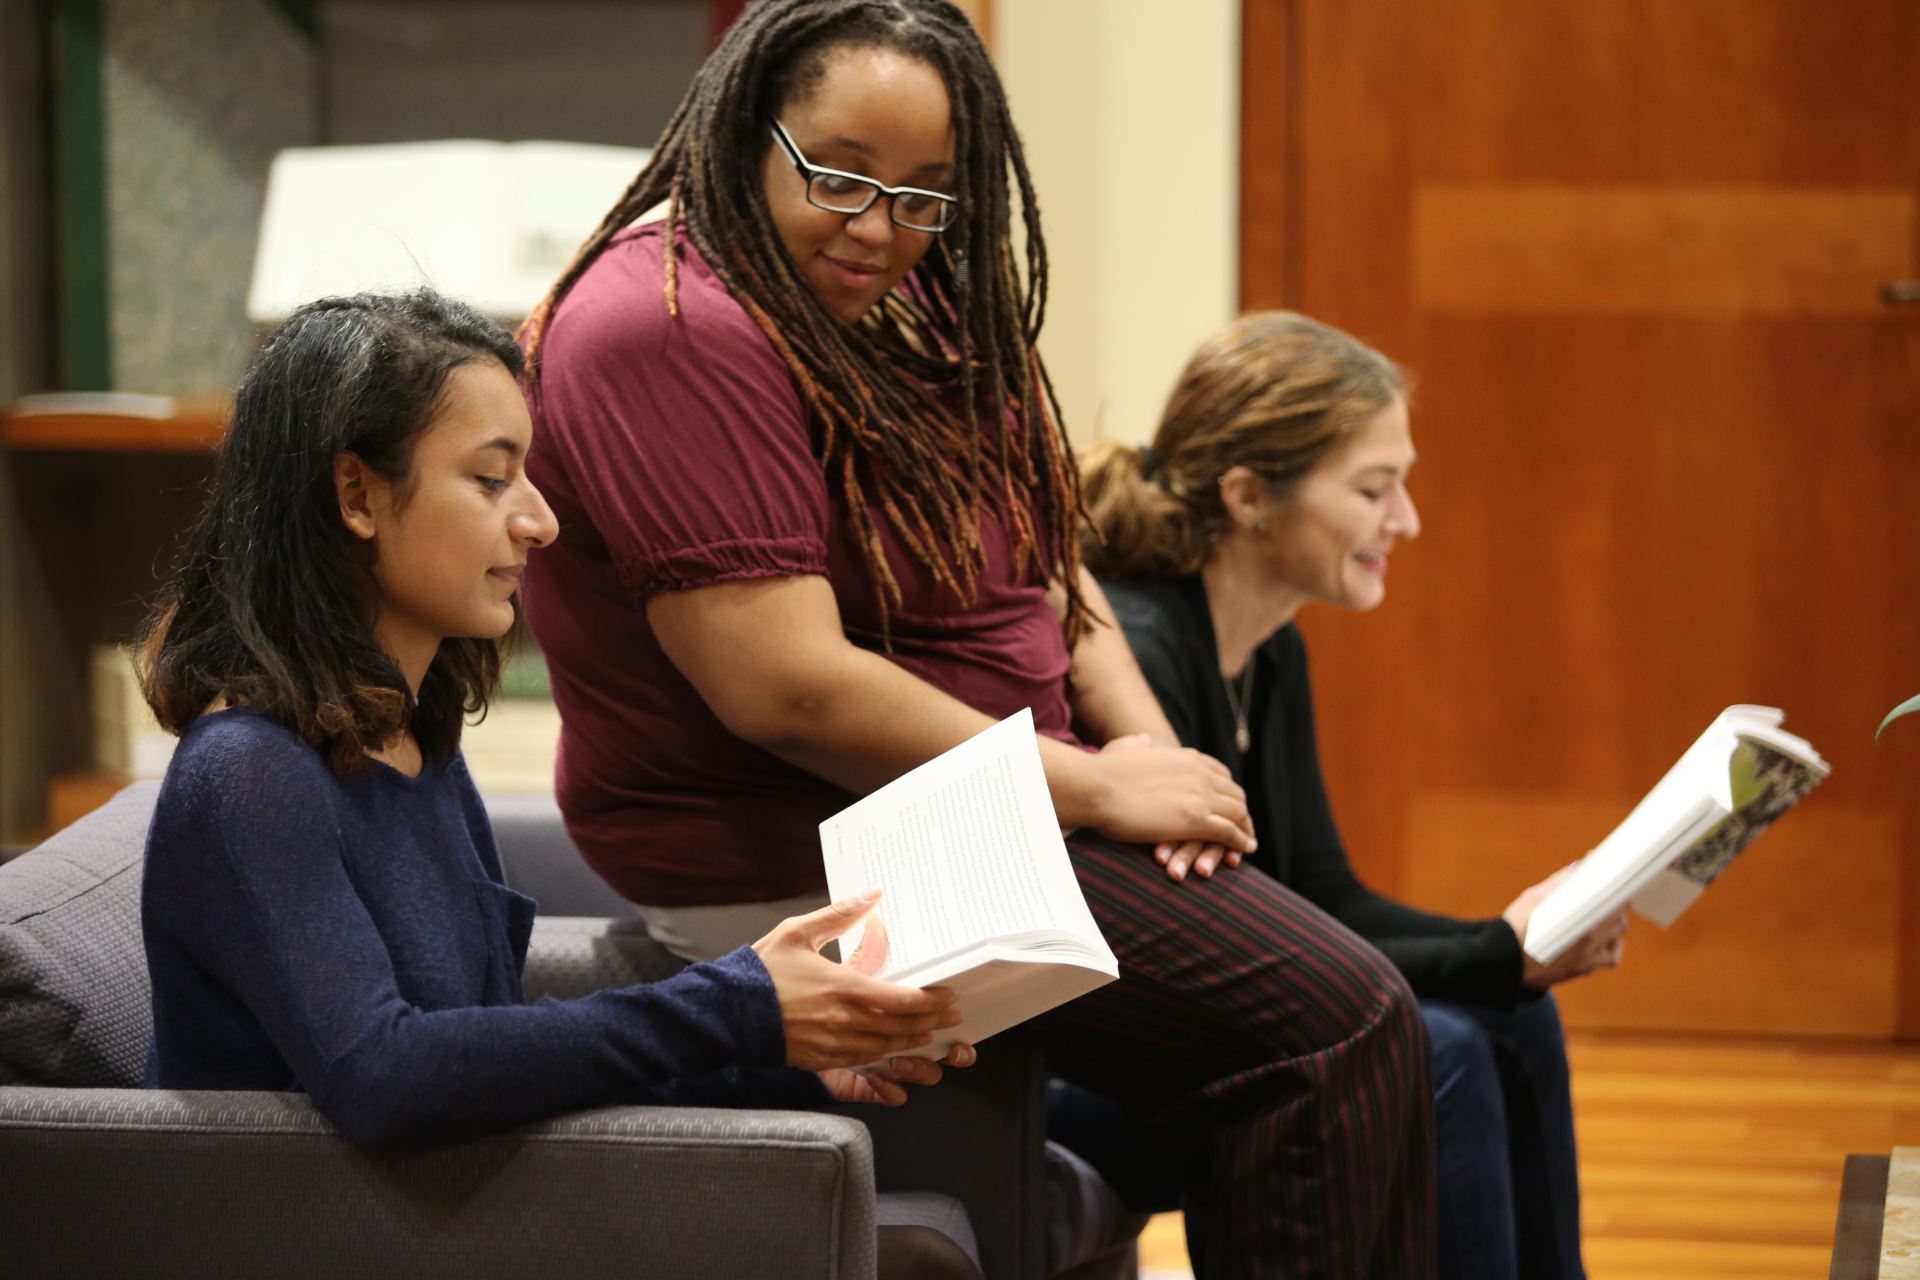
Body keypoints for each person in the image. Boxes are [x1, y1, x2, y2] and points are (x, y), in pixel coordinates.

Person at [516, 3, 1433, 1275]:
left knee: (1388, 1026)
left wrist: (1151, 758)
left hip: (997, 807)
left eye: (927, 196)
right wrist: (1099, 784)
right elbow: (786, 689)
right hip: (821, 858)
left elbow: (1051, 561)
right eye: (838, 175)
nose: (881, 227)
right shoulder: (667, 322)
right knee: (1339, 1019)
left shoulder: (909, 302)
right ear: (740, 134)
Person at [136, 290, 977, 1169]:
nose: (542, 520)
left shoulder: (415, 739)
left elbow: (488, 1056)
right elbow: (385, 1078)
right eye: (492, 479)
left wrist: (797, 1063)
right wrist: (734, 1006)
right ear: (357, 493)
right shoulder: (247, 774)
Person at [1080, 310, 1630, 1280]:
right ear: (1250, 495)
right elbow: (1232, 954)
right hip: (1109, 1061)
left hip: (1237, 1015)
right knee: (1446, 1041)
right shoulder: (1143, 650)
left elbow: (1322, 896)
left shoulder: (1269, 644)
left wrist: (1511, 946)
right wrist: (1497, 950)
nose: (1406, 519)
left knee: (1515, 1010)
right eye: (1375, 488)